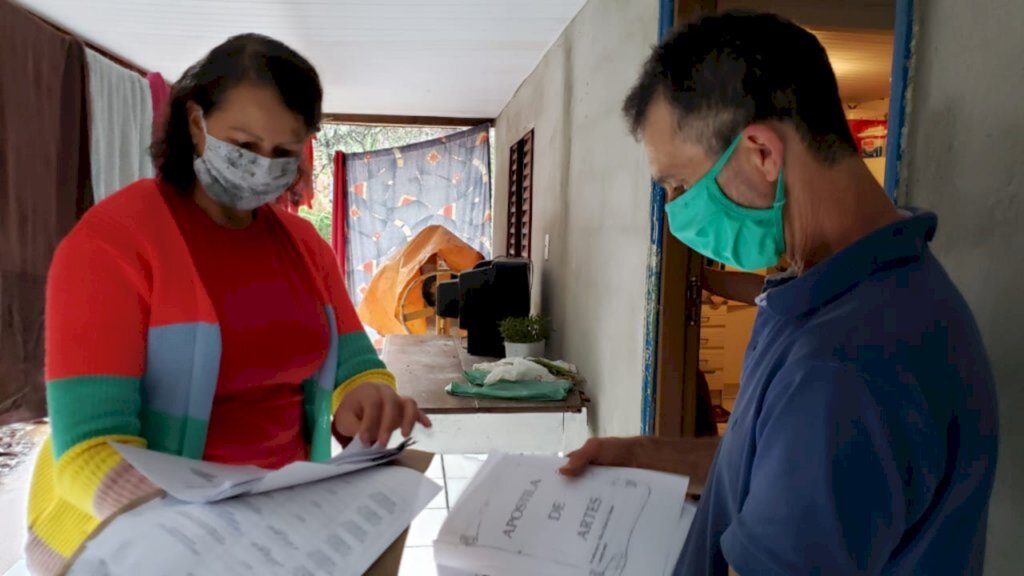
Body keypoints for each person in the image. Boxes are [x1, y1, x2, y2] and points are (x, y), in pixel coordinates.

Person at [561, 11, 998, 576]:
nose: (676, 214)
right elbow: (777, 466)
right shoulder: (862, 284)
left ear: (762, 153)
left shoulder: (843, 364)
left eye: (680, 186)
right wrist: (640, 457)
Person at [25, 34, 430, 575]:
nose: (263, 167)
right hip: (141, 537)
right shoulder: (111, 245)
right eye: (243, 145)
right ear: (196, 124)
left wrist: (369, 398)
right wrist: (208, 534)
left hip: (279, 528)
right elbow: (89, 453)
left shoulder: (303, 246)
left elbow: (357, 366)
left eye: (283, 153)